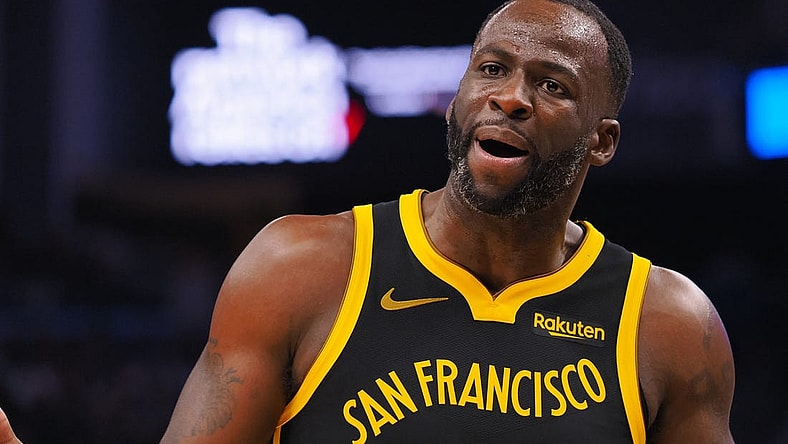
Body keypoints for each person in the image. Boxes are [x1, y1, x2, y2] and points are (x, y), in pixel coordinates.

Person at [156, 0, 735, 442]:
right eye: (491, 69)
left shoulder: (669, 326)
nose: (510, 98)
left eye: (551, 85)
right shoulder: (300, 266)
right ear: (458, 96)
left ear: (602, 142)